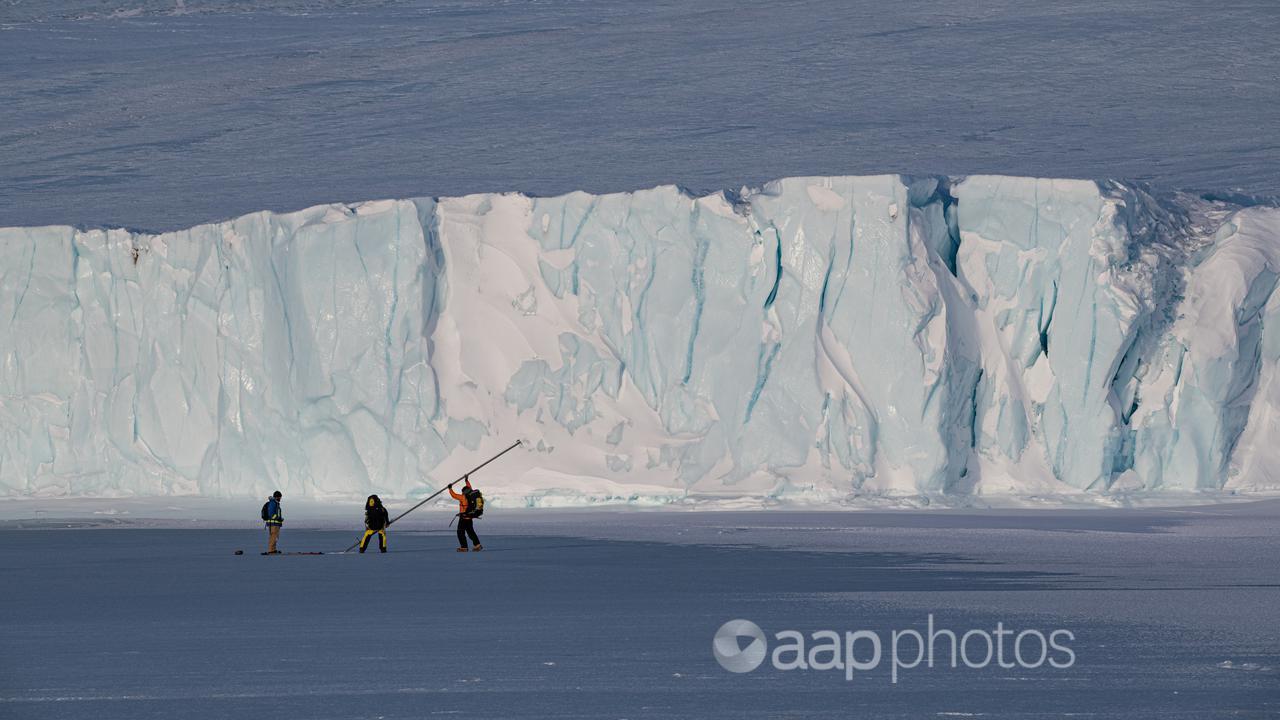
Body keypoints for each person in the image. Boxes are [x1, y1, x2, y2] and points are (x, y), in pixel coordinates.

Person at [449, 476, 483, 552]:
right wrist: (467, 481)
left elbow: (454, 495)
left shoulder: (462, 497)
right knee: (471, 532)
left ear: (464, 492)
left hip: (463, 518)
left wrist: (450, 488)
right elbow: (469, 487)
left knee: (460, 532)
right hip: (470, 517)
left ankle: (464, 547)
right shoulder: (471, 496)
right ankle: (477, 545)